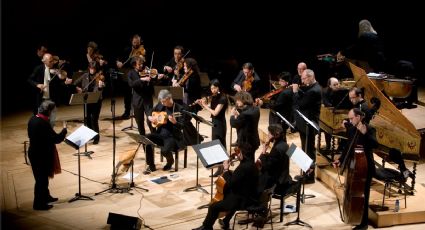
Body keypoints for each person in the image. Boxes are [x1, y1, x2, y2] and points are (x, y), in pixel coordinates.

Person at [192, 143, 259, 230]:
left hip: (242, 200)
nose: (238, 154)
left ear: (243, 155)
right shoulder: (252, 164)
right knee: (226, 195)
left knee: (213, 207)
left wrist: (226, 169)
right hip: (250, 196)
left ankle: (206, 227)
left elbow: (231, 183)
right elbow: (239, 180)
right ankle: (225, 221)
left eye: (239, 153)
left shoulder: (243, 168)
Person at [333, 108, 378, 230]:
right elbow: (348, 147)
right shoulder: (352, 129)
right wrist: (341, 160)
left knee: (364, 196)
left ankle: (364, 224)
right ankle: (356, 218)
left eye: (352, 118)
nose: (350, 120)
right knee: (355, 193)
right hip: (355, 167)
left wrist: (365, 133)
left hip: (366, 167)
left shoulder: (369, 129)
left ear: (358, 117)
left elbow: (375, 145)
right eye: (349, 118)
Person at [28, 100, 67, 210]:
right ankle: (38, 204)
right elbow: (57, 139)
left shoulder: (33, 118)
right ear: (49, 111)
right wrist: (64, 130)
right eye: (53, 111)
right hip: (40, 155)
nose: (54, 113)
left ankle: (46, 196)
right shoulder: (43, 124)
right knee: (41, 180)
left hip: (34, 152)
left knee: (42, 178)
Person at [143, 89, 188, 174]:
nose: (162, 103)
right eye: (161, 102)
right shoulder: (161, 105)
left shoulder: (180, 109)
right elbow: (150, 111)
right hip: (160, 134)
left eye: (164, 101)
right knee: (146, 139)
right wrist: (150, 117)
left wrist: (175, 122)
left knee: (164, 151)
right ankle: (151, 165)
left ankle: (170, 161)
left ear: (169, 98)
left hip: (173, 136)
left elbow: (182, 126)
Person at [292, 69, 322, 183]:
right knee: (306, 150)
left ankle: (309, 177)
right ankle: (306, 174)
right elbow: (305, 97)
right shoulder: (314, 87)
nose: (302, 81)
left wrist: (295, 92)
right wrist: (299, 91)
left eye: (304, 79)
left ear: (310, 77)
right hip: (305, 125)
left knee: (309, 151)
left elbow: (300, 104)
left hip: (309, 126)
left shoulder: (314, 90)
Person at [28, 53, 74, 126]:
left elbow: (59, 85)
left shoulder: (55, 71)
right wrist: (37, 85)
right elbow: (30, 79)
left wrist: (65, 83)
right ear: (44, 61)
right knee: (41, 122)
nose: (52, 62)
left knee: (51, 122)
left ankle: (49, 135)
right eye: (50, 61)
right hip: (41, 100)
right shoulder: (38, 69)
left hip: (52, 99)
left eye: (53, 61)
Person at [196, 79, 228, 176]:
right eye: (211, 88)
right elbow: (210, 106)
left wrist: (205, 105)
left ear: (218, 87)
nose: (212, 90)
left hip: (220, 124)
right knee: (215, 145)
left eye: (214, 88)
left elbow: (215, 112)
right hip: (214, 123)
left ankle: (223, 167)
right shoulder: (215, 97)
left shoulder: (223, 98)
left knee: (220, 145)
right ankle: (220, 167)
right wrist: (201, 104)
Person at [73, 61, 105, 144]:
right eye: (91, 68)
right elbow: (75, 83)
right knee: (87, 120)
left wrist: (101, 86)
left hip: (96, 100)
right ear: (89, 68)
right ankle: (91, 135)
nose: (92, 70)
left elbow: (100, 88)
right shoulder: (85, 76)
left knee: (94, 119)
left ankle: (97, 137)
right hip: (87, 100)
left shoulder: (99, 77)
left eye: (94, 69)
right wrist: (77, 88)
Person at [256, 71, 293, 141]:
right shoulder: (288, 89)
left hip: (279, 118)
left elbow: (275, 106)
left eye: (281, 81)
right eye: (279, 80)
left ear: (287, 82)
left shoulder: (285, 92)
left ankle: (281, 150)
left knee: (279, 137)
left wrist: (263, 103)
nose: (279, 83)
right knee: (280, 136)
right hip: (283, 117)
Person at [116, 34, 146, 119]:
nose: (136, 44)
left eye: (137, 43)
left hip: (137, 74)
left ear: (140, 42)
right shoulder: (127, 49)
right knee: (127, 94)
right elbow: (119, 56)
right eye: (134, 42)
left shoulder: (142, 50)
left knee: (137, 94)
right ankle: (127, 112)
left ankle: (137, 112)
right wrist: (118, 61)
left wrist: (141, 58)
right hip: (126, 73)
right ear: (132, 42)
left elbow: (143, 61)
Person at [256, 124, 290, 192]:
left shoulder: (276, 149)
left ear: (273, 135)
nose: (268, 134)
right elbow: (278, 160)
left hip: (277, 182)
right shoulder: (286, 145)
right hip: (285, 177)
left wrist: (263, 151)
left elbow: (266, 167)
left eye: (269, 133)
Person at [127, 56, 155, 136]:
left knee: (151, 120)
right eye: (139, 64)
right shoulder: (131, 73)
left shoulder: (146, 71)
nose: (142, 66)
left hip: (147, 100)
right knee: (139, 122)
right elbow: (131, 84)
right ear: (134, 65)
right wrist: (141, 79)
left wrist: (156, 78)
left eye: (142, 63)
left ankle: (155, 137)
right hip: (137, 101)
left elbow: (153, 82)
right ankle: (143, 140)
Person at [230, 91, 260, 160]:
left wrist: (232, 115)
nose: (236, 102)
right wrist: (239, 116)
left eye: (238, 100)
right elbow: (246, 122)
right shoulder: (256, 109)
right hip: (254, 141)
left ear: (244, 100)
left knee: (246, 162)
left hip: (246, 144)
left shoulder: (245, 114)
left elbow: (233, 124)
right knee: (251, 160)